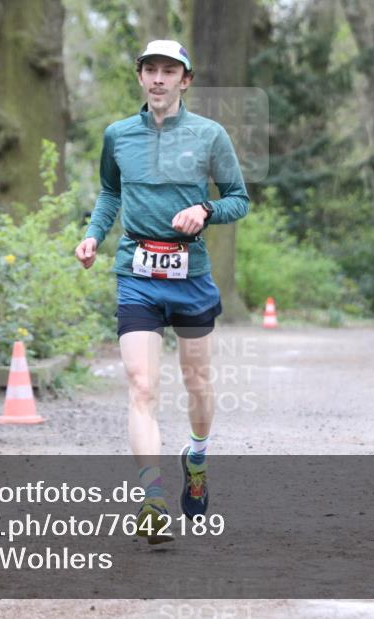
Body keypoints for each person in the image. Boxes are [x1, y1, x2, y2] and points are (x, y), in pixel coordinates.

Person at [74, 40, 249, 545]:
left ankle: (195, 456)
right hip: (136, 270)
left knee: (196, 382)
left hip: (190, 273)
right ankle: (151, 500)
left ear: (185, 80)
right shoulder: (117, 136)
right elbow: (110, 192)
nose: (158, 79)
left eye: (168, 71)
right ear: (140, 77)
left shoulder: (210, 135)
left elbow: (239, 199)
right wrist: (93, 234)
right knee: (142, 386)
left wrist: (207, 211)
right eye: (150, 70)